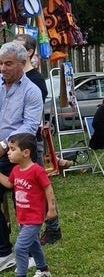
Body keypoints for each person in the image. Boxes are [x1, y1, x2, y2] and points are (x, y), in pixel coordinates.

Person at [13, 34, 70, 246]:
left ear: (28, 53)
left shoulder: (35, 80)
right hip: (13, 143)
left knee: (35, 186)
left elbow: (31, 117)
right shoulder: (11, 78)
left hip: (29, 142)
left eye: (17, 48)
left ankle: (52, 228)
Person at [0, 42, 43, 272]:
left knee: (24, 206)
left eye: (8, 63)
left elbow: (29, 126)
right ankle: (4, 252)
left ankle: (31, 256)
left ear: (22, 63)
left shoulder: (31, 91)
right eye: (0, 63)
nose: (3, 68)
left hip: (19, 154)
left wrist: (5, 145)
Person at [0, 133, 55, 277]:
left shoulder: (37, 170)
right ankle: (44, 270)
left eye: (12, 149)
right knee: (34, 244)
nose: (9, 153)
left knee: (20, 248)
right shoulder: (16, 170)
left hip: (34, 218)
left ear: (26, 153)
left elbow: (48, 188)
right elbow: (9, 183)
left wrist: (51, 209)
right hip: (22, 217)